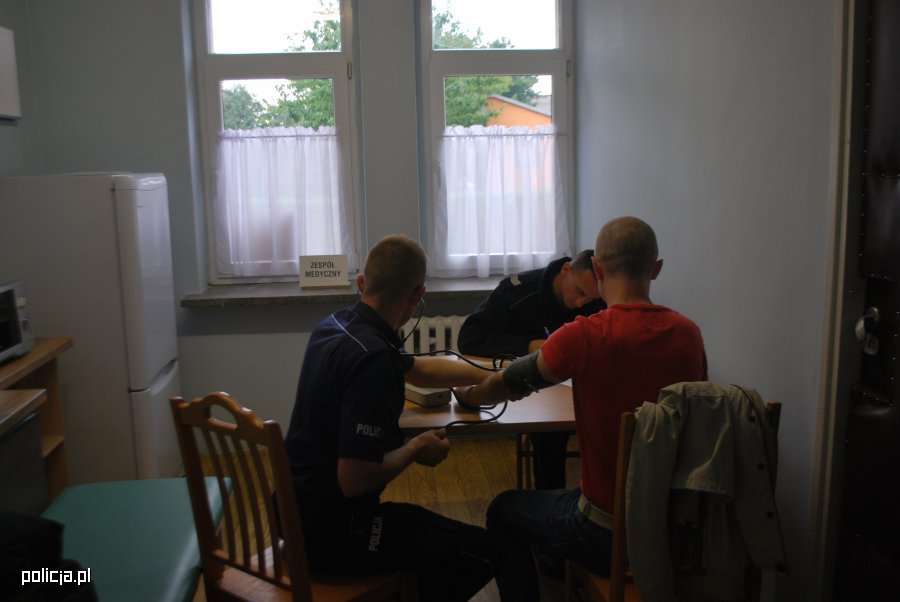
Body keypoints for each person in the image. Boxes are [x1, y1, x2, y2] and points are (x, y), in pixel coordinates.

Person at [455, 216, 708, 598]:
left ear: (599, 270)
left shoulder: (582, 336)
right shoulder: (690, 335)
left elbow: (503, 386)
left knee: (503, 510)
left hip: (605, 532)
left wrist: (467, 395)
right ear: (656, 269)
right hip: (675, 530)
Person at [284, 234, 523, 601]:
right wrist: (414, 449)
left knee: (425, 531)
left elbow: (420, 371)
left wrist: (497, 374)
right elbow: (354, 480)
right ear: (418, 294)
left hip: (294, 517)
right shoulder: (373, 359)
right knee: (495, 552)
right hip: (336, 536)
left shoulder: (336, 325)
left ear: (362, 282)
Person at [457, 250, 606, 490]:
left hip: (580, 386)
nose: (581, 303)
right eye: (579, 292)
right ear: (566, 269)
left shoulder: (599, 301)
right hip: (532, 391)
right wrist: (527, 346)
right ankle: (550, 497)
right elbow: (470, 338)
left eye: (589, 299)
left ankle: (598, 493)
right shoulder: (517, 292)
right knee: (549, 430)